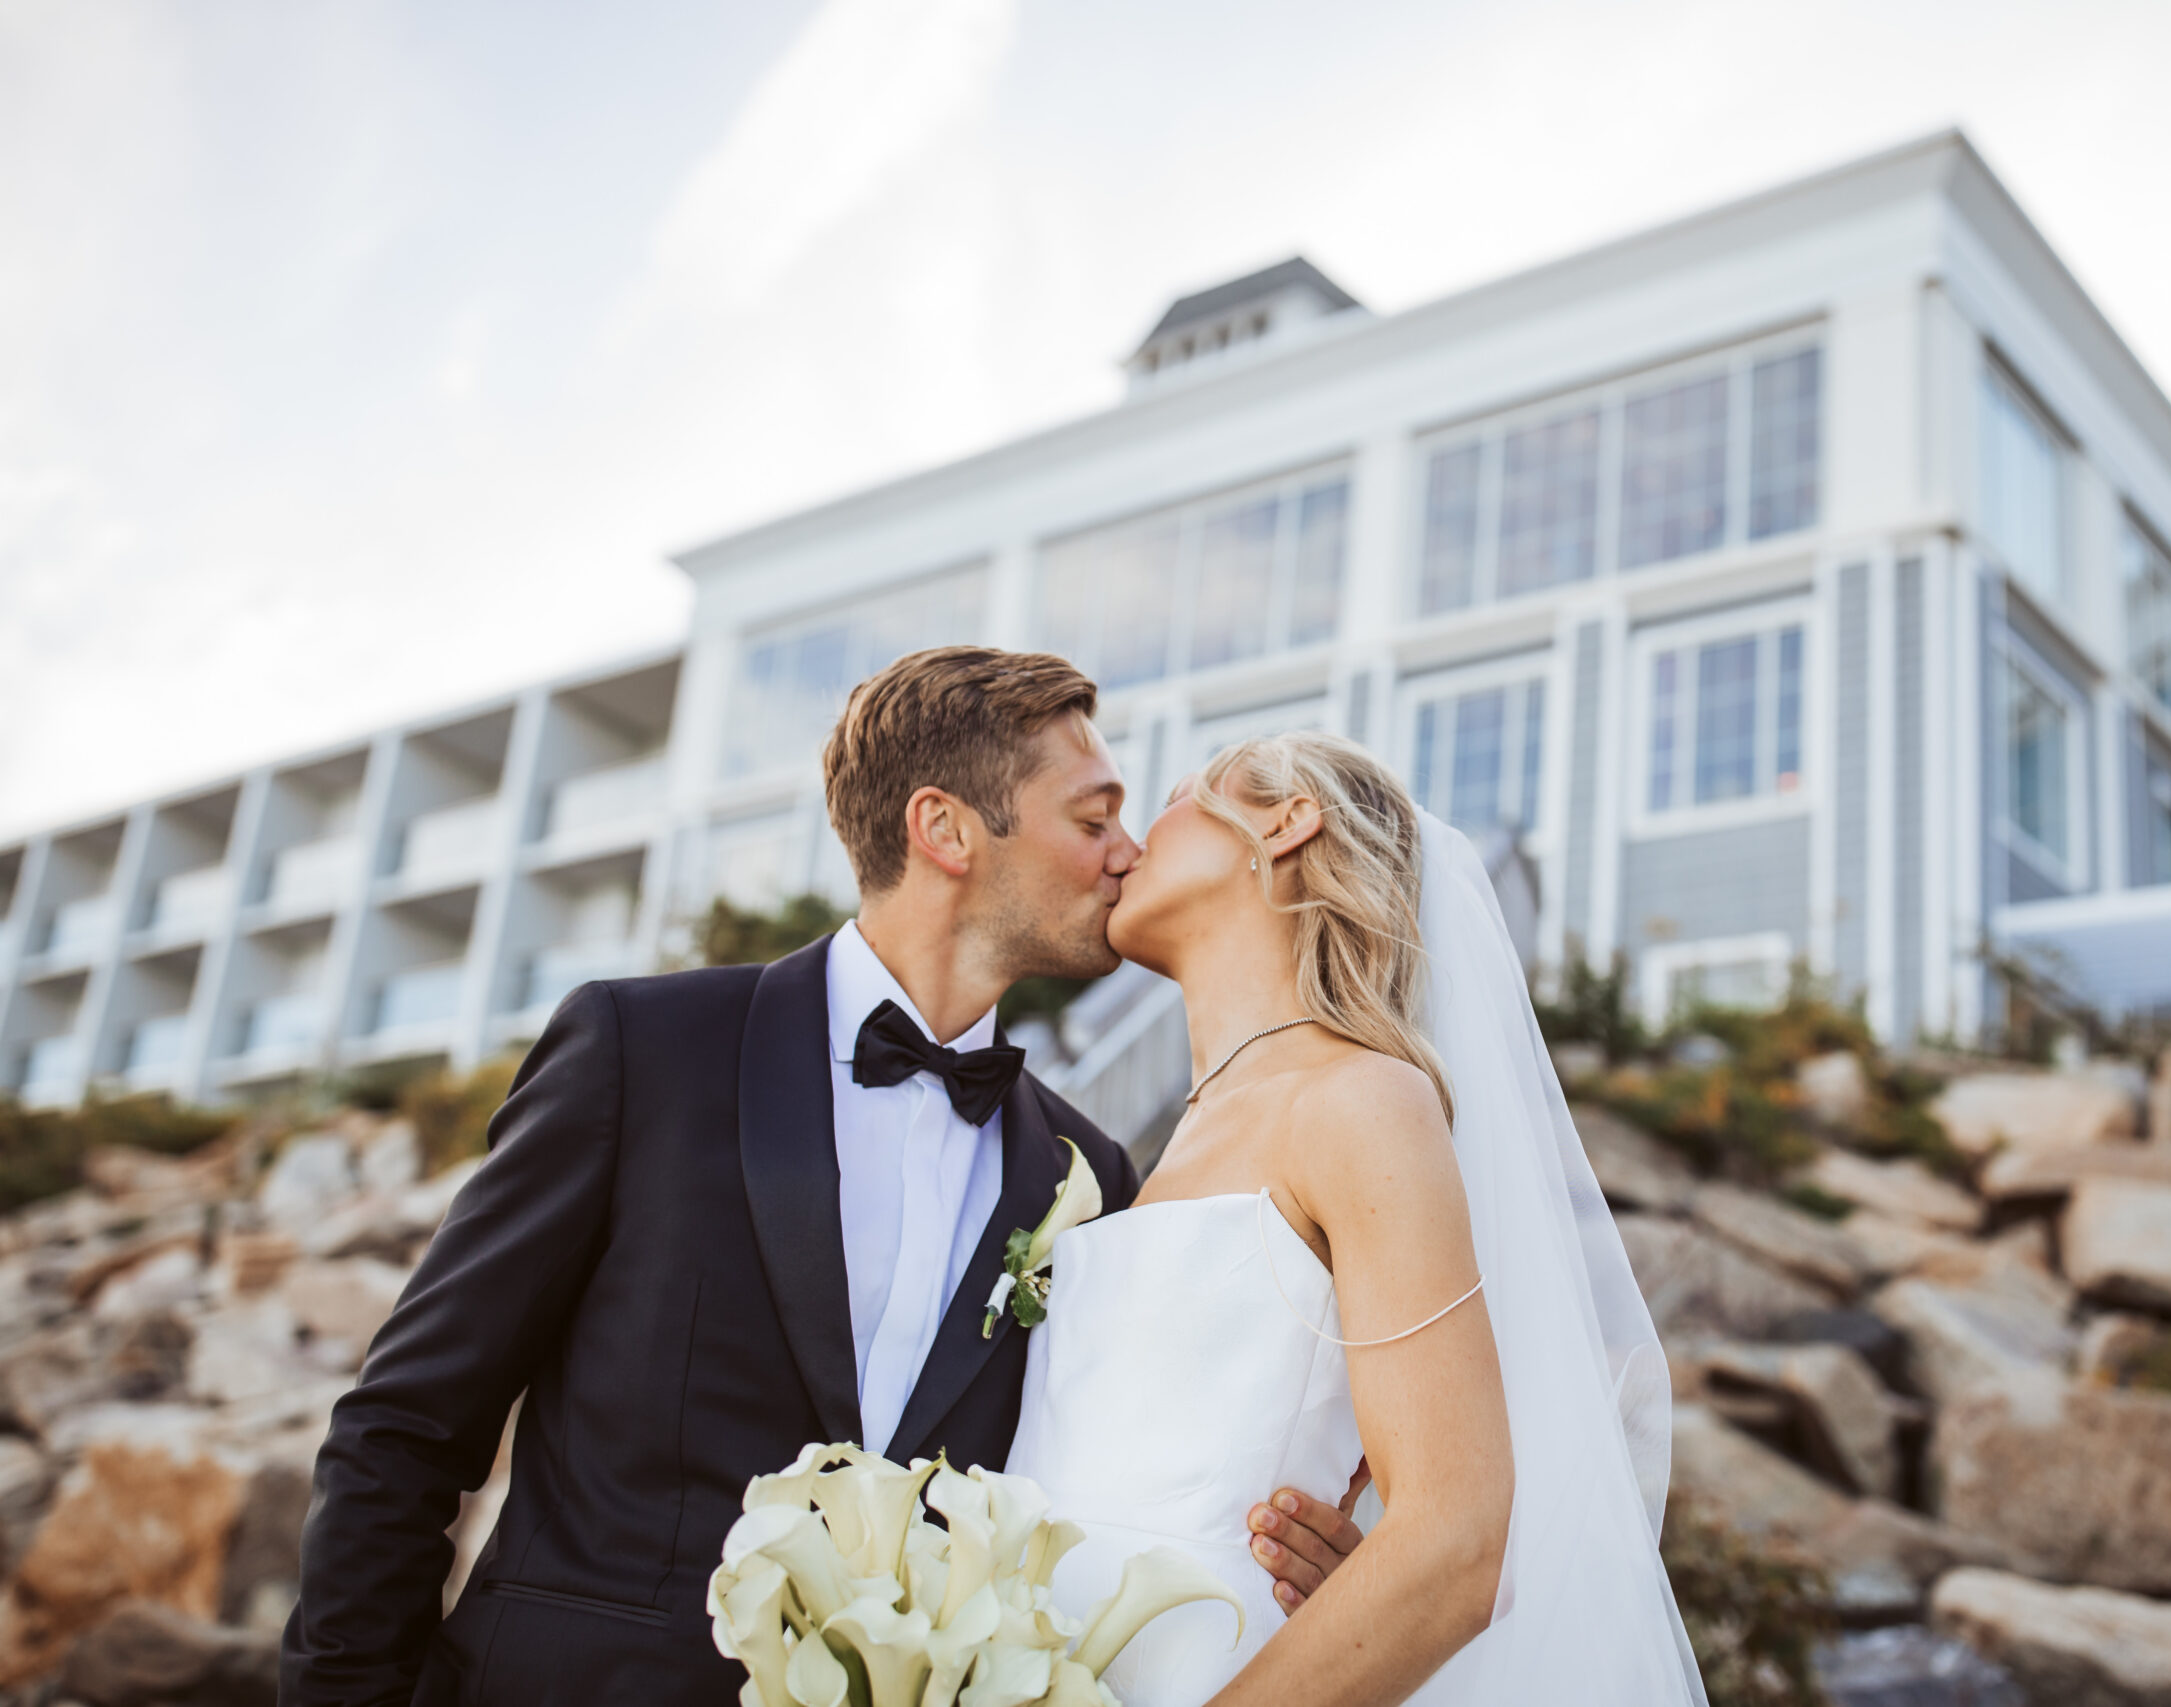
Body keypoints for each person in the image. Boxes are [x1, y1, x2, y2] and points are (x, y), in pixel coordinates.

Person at [279, 648, 1363, 1706]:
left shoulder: (1088, 1173)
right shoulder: (641, 1051)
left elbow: (1122, 1475)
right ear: (943, 829)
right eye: (1092, 820)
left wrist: (1308, 1554)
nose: (1127, 853)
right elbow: (408, 1426)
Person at [1006, 731, 1707, 1705]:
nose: (1123, 842)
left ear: (1285, 821)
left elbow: (1459, 1539)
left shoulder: (1359, 1099)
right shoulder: (1159, 1153)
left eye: (1167, 802)